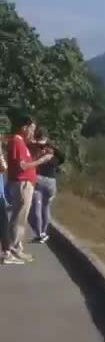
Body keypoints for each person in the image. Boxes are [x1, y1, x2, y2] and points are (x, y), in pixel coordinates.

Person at [4, 113, 52, 265]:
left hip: (25, 183)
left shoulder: (21, 143)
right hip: (22, 183)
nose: (32, 132)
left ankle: (17, 247)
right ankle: (12, 249)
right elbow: (22, 166)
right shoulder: (16, 142)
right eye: (31, 128)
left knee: (21, 219)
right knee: (18, 218)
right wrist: (41, 160)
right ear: (24, 127)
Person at [29, 129, 62, 243]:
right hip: (51, 182)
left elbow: (36, 158)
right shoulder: (55, 157)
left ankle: (39, 234)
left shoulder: (42, 153)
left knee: (37, 208)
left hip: (39, 180)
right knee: (46, 207)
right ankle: (44, 231)